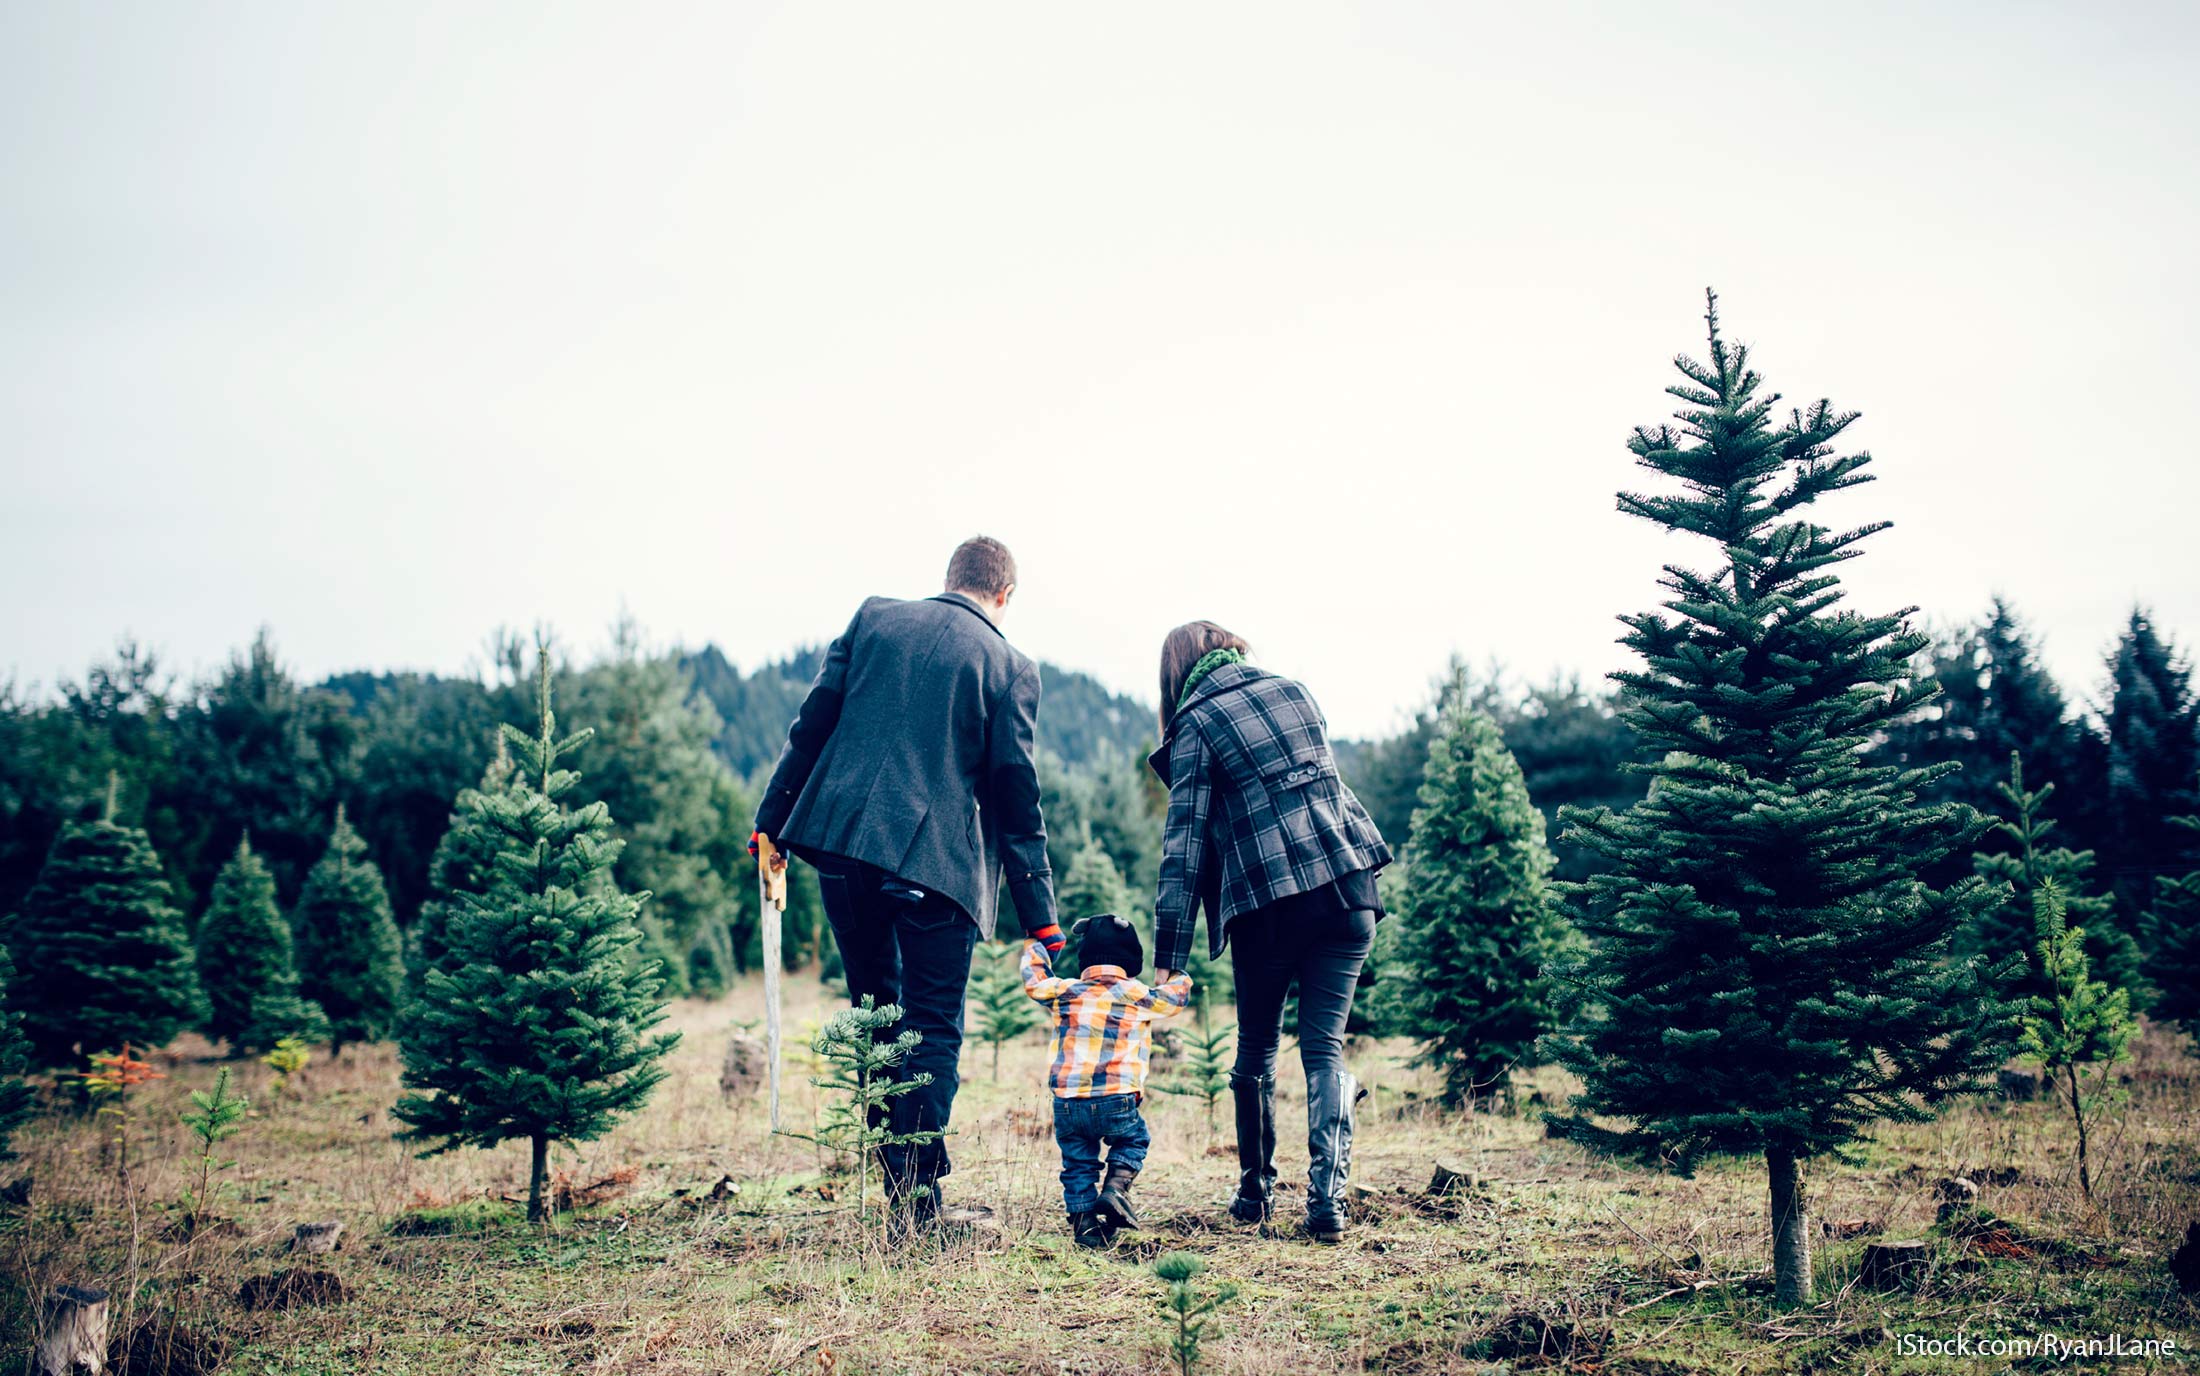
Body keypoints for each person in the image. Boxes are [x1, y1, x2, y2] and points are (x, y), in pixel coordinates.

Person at [752, 536, 1062, 1229]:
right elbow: (1015, 795)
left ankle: (897, 1187)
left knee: (875, 1012)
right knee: (930, 1026)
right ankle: (915, 1207)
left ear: (950, 579)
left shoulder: (874, 618)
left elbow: (810, 730)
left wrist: (768, 825)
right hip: (937, 866)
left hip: (841, 845)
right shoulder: (1010, 664)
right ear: (1005, 596)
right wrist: (1041, 916)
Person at [1147, 621, 1392, 1243]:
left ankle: (1256, 1194)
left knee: (1256, 1044)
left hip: (1270, 903)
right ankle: (1327, 1201)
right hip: (1348, 890)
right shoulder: (1295, 691)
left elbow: (1184, 846)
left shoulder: (1196, 721)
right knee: (1325, 1049)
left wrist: (1169, 957)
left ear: (1177, 673)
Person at [1022, 913, 1191, 1248]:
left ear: (1085, 960)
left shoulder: (1065, 991)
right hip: (1117, 1097)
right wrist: (1176, 971)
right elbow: (1177, 996)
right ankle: (1115, 1189)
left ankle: (1085, 1225)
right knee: (1133, 1141)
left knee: (1077, 1160)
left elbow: (1034, 980)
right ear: (1131, 962)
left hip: (1068, 1100)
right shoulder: (1138, 995)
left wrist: (1035, 944)